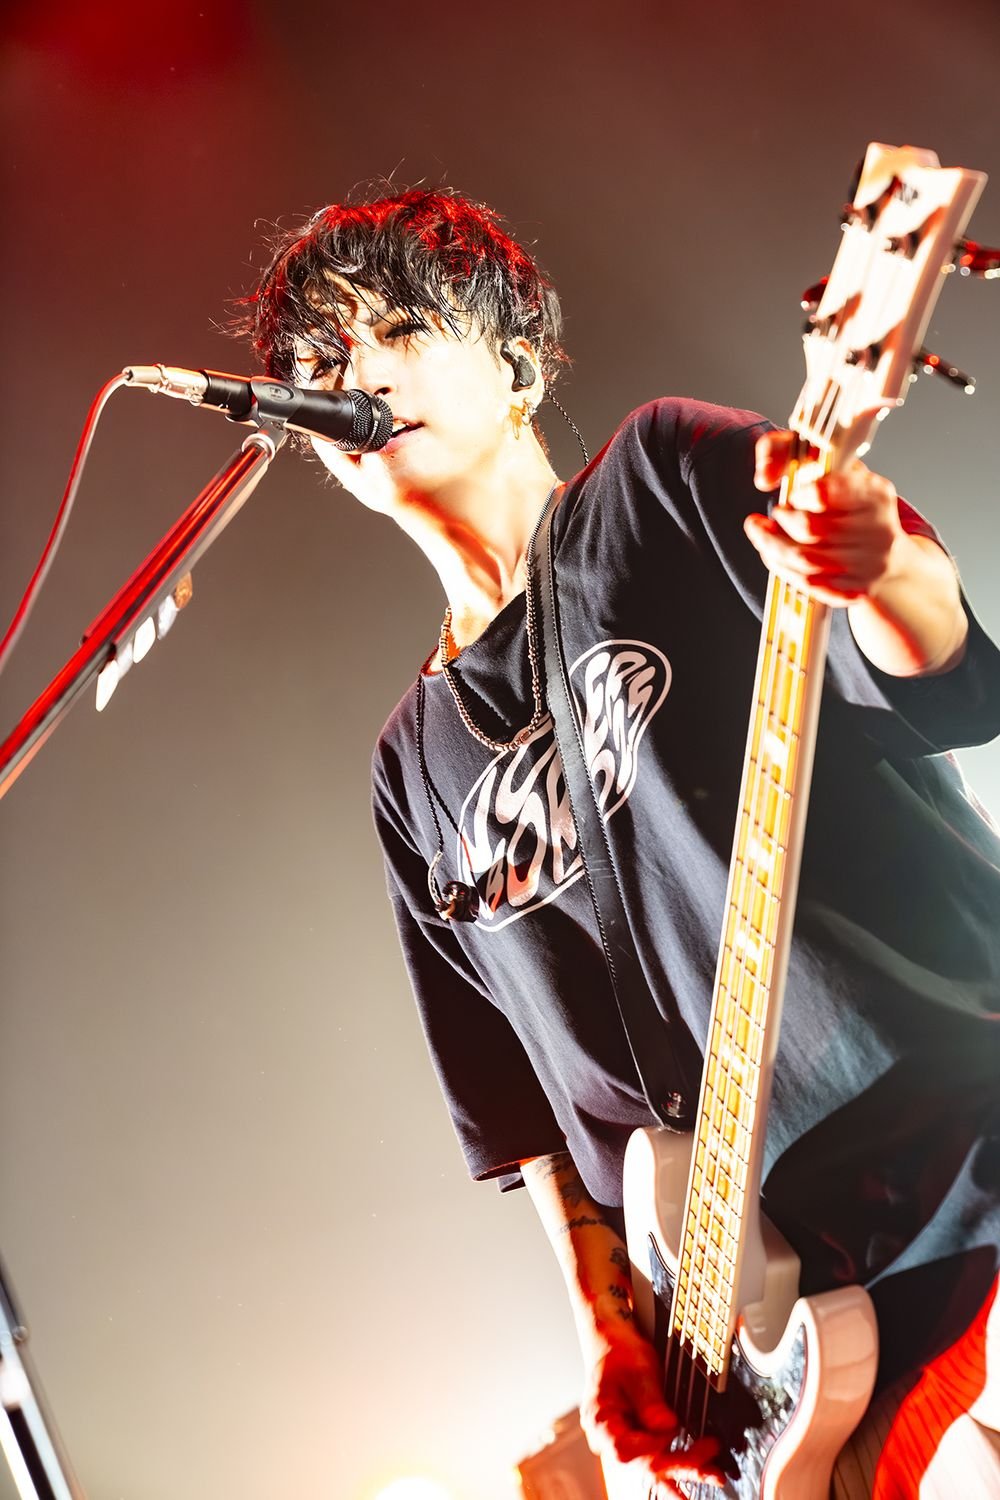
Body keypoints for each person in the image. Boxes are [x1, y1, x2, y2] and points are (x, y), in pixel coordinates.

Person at [245, 188, 1000, 1496]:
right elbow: (531, 1117)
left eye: (399, 330)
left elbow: (942, 673)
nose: (351, 377)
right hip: (771, 1342)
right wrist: (616, 1339)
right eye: (317, 364)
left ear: (519, 368)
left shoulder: (660, 476)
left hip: (961, 1173)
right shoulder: (409, 769)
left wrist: (880, 564)